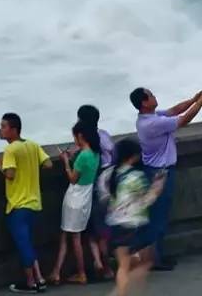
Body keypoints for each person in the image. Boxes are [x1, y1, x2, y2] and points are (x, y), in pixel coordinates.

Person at [130, 80, 202, 270]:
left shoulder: (149, 117)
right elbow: (183, 119)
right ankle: (154, 259)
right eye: (151, 95)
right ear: (144, 102)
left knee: (155, 217)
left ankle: (151, 256)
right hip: (159, 175)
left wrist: (196, 98)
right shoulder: (152, 123)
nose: (154, 97)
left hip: (154, 172)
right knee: (158, 218)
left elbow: (175, 110)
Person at [0, 113, 52, 294]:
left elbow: (10, 174)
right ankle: (39, 278)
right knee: (28, 243)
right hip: (34, 203)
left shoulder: (11, 150)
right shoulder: (32, 145)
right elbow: (48, 165)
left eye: (3, 126)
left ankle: (31, 283)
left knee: (23, 245)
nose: (0, 130)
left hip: (18, 204)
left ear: (13, 129)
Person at [98, 138, 166, 296]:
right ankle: (119, 293)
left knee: (124, 265)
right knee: (146, 262)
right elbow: (147, 200)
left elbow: (103, 197)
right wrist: (158, 186)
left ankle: (121, 292)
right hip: (134, 225)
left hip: (115, 225)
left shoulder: (108, 174)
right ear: (133, 156)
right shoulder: (136, 177)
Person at [49, 121, 100, 285]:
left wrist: (65, 161)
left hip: (74, 198)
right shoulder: (95, 153)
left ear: (80, 136)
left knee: (74, 238)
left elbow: (72, 178)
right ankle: (56, 271)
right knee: (68, 234)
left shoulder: (83, 156)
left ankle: (81, 273)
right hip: (86, 198)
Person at [77, 105, 115, 280]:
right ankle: (107, 266)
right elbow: (114, 155)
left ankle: (99, 263)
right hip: (108, 185)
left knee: (92, 229)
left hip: (92, 188)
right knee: (104, 231)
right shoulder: (104, 135)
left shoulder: (85, 142)